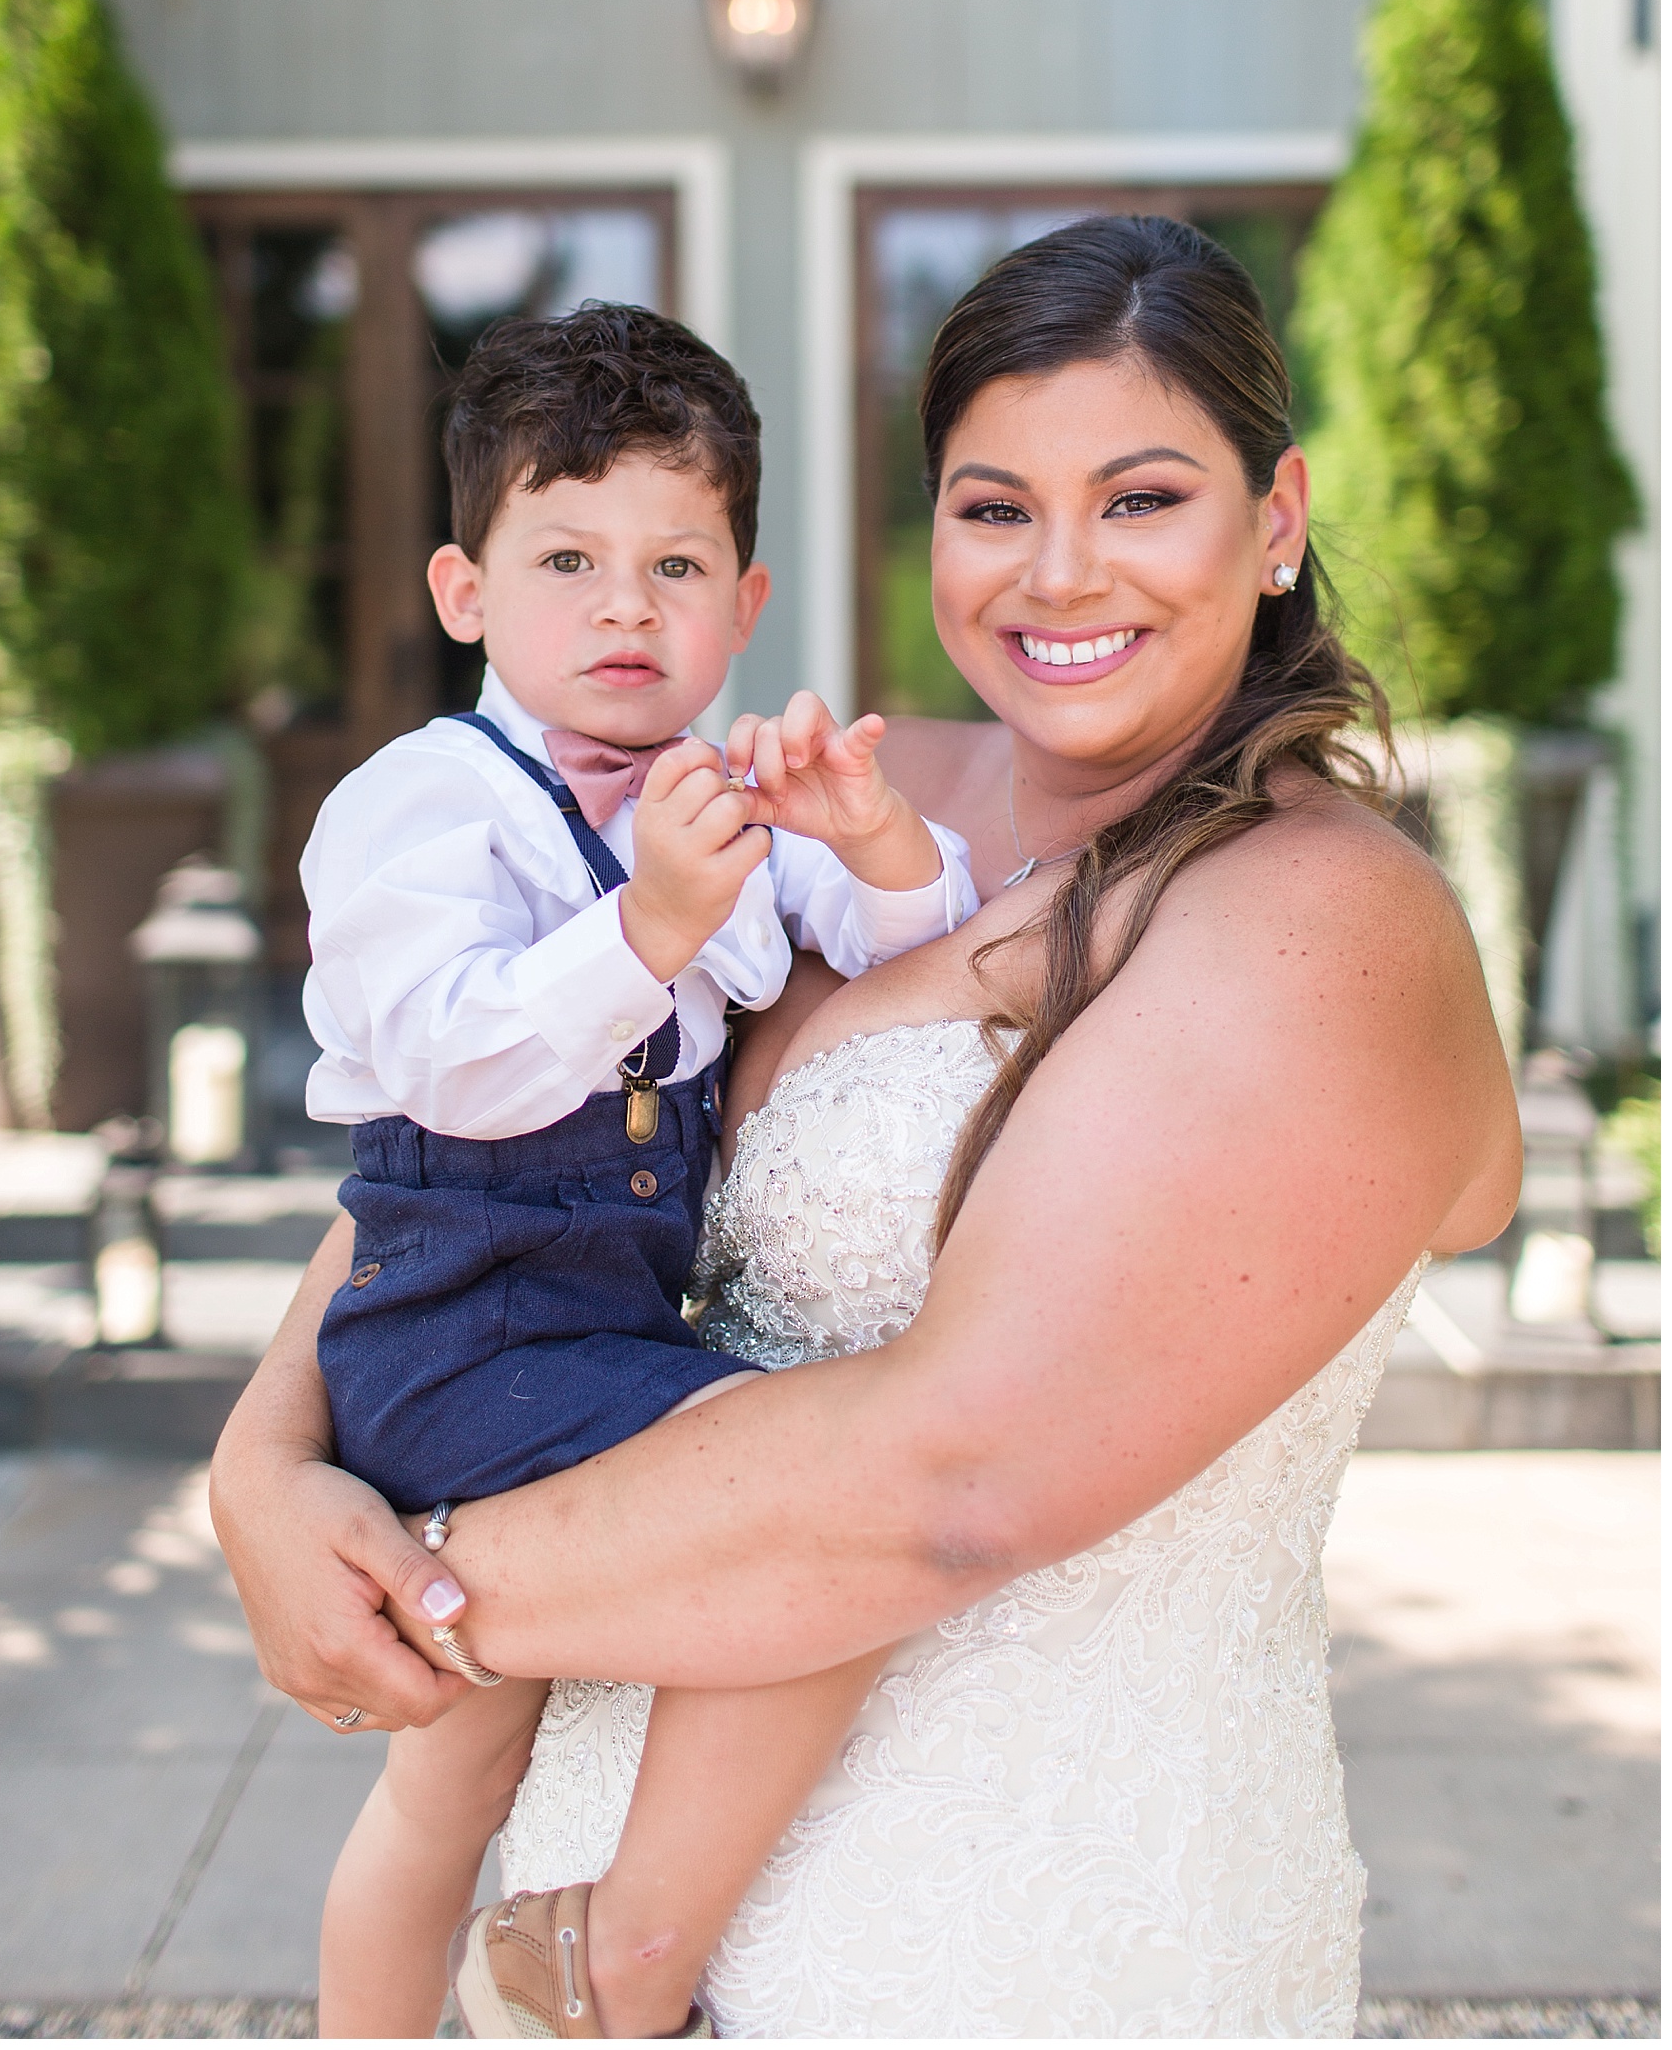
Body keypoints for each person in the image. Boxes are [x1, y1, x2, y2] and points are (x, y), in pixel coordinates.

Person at [212, 217, 1521, 2038]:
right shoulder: (860, 795)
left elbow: (947, 1482)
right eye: (993, 508)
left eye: (1141, 498)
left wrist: (416, 1583)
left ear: (1277, 514)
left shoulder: (1318, 917)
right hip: (575, 1890)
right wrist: (267, 1469)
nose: (1060, 575)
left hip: (1001, 1928)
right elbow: (502, 1129)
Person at [302, 304, 976, 2038]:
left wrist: (871, 836)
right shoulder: (422, 806)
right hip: (459, 1330)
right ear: (467, 591)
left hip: (599, 1331)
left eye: (679, 561)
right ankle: (604, 1960)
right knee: (820, 1515)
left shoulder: (720, 797)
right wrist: (645, 925)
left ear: (745, 605)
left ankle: (558, 1943)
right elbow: (449, 1058)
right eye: (569, 557)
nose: (627, 604)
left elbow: (926, 952)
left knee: (449, 1780)